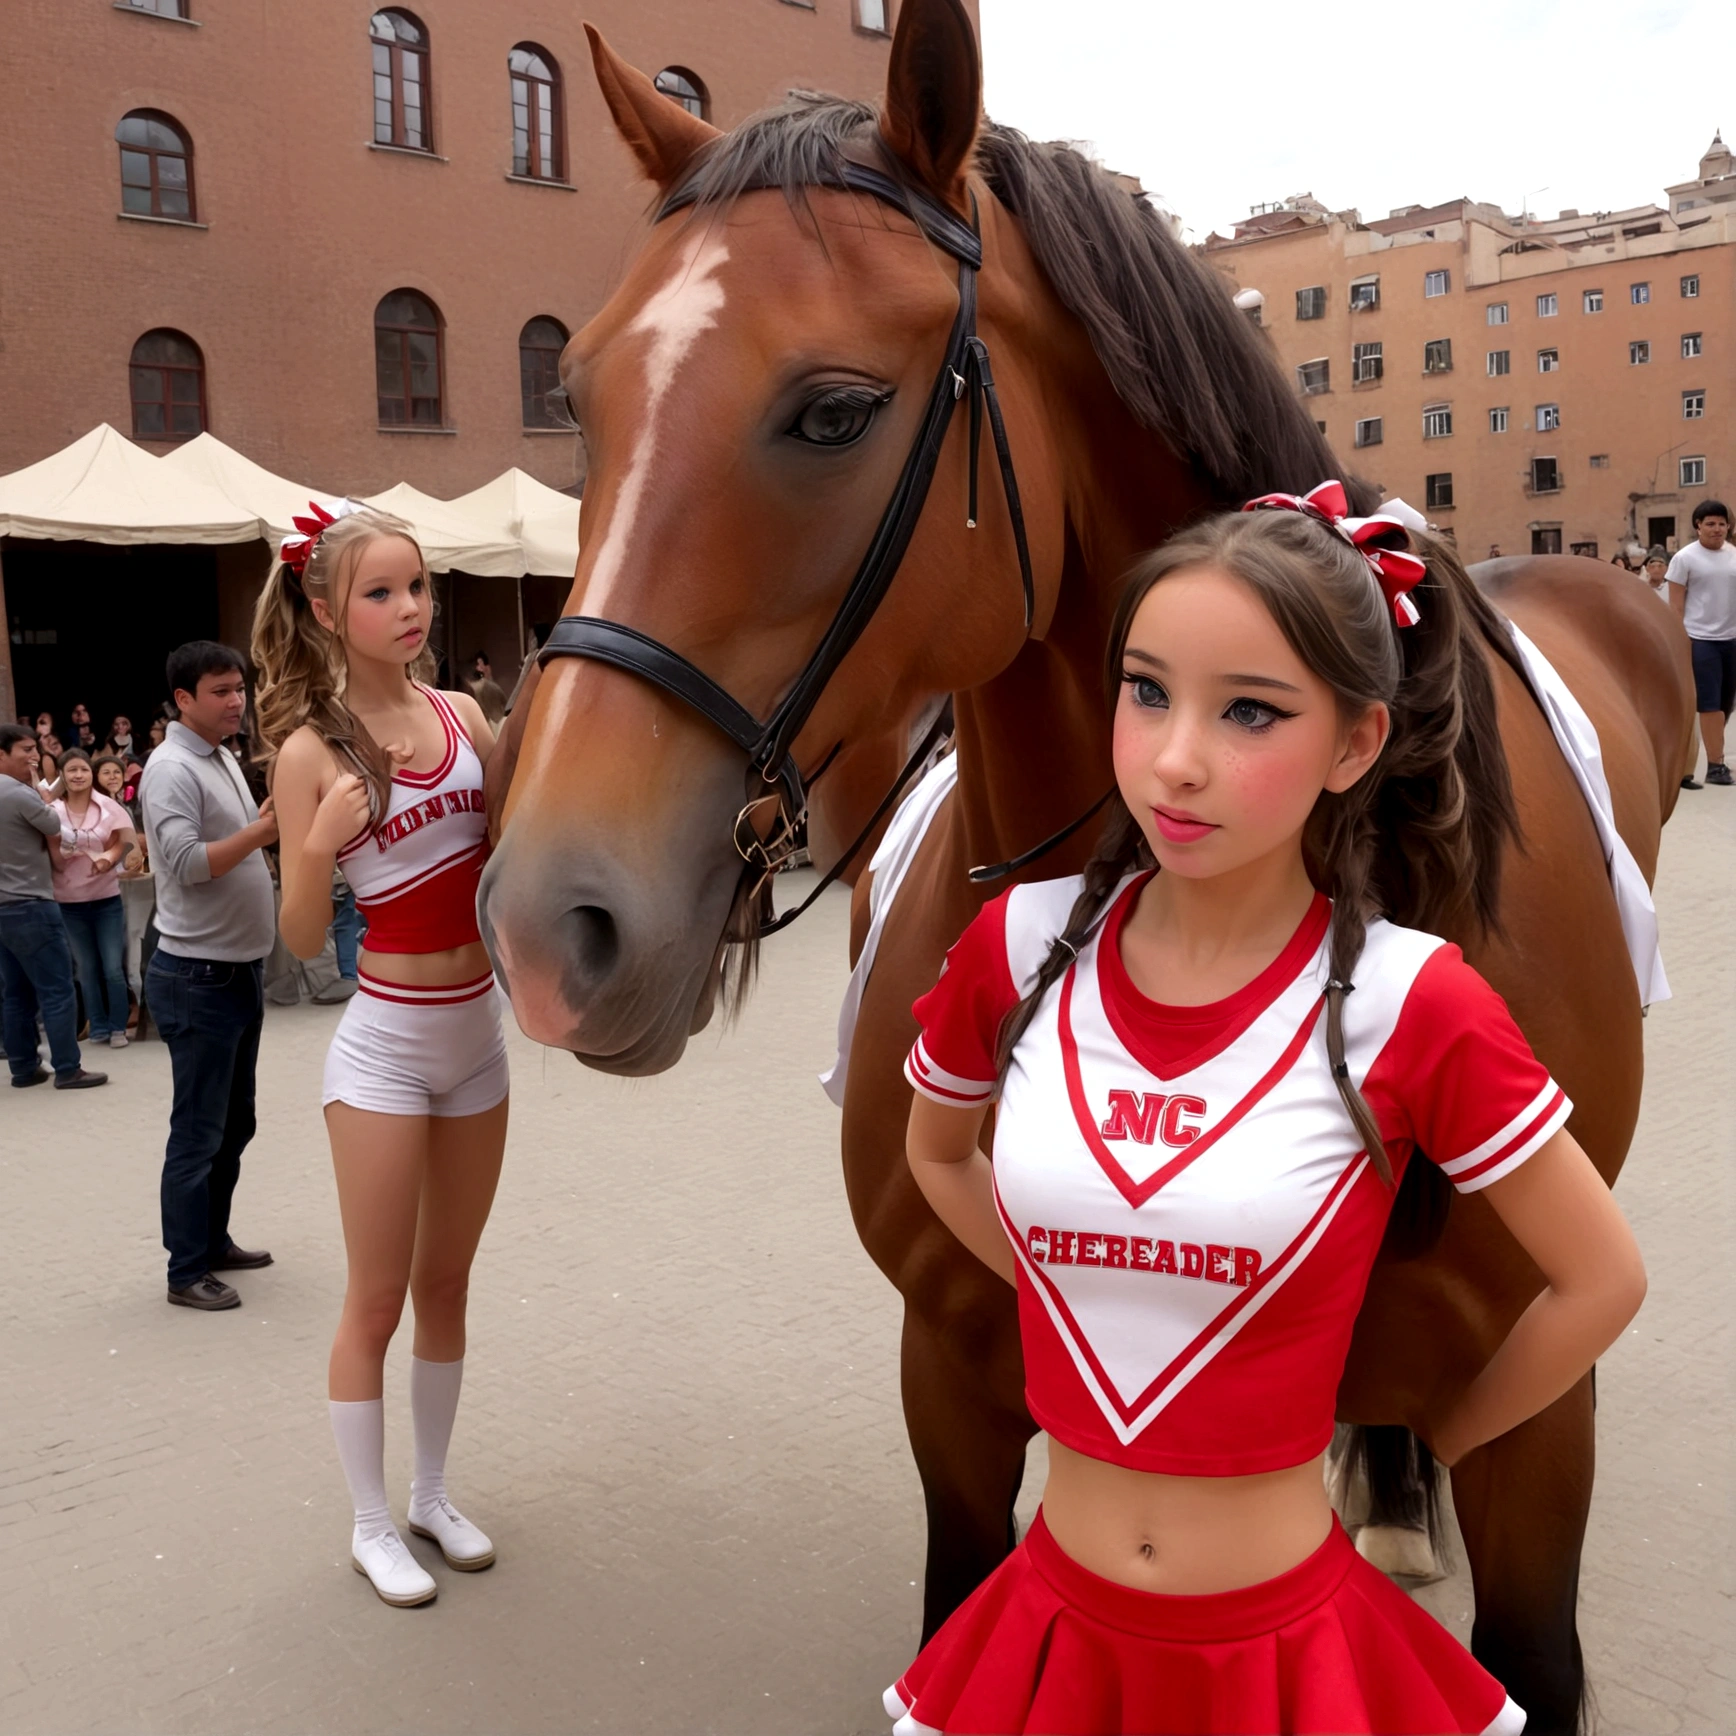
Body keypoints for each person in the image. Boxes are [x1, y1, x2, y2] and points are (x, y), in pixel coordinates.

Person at [887, 486, 1646, 1736]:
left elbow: (1600, 1277)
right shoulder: (1010, 949)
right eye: (1144, 690)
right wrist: (1089, 1290)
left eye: (1248, 710)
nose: (1175, 758)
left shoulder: (1411, 1002)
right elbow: (934, 1152)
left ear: (1354, 744)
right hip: (1047, 1635)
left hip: (1286, 1658)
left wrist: (1450, 1425)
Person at [254, 501, 507, 1610]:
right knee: (377, 1295)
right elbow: (303, 938)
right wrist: (312, 842)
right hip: (385, 1048)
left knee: (448, 1284)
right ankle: (368, 1522)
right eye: (381, 592)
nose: (409, 609)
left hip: (480, 1035)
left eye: (419, 588)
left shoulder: (465, 715)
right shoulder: (309, 751)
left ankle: (433, 1492)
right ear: (323, 609)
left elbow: (520, 850)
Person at [139, 642, 279, 1313]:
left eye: (239, 688)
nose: (237, 701)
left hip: (235, 970)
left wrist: (262, 825)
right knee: (198, 1130)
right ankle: (185, 1268)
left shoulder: (220, 752)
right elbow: (189, 863)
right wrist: (261, 834)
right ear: (183, 700)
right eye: (221, 691)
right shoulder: (168, 770)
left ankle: (212, 1239)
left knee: (234, 1122)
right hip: (198, 975)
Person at [0, 725, 106, 1090]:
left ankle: (24, 1068)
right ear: (1, 754)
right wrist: (42, 795)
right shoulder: (19, 793)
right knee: (57, 987)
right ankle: (66, 1067)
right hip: (30, 902)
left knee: (14, 993)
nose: (34, 755)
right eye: (26, 749)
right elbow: (54, 825)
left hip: (2, 910)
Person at [49, 749, 137, 1049]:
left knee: (113, 966)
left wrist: (110, 859)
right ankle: (97, 1025)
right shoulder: (51, 812)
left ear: (91, 774)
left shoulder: (109, 807)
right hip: (67, 901)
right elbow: (46, 850)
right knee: (85, 968)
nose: (78, 775)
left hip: (105, 898)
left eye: (83, 770)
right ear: (62, 775)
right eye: (71, 770)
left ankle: (118, 1028)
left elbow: (126, 843)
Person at [1666, 499, 1736, 788]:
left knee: (1725, 704)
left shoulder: (1734, 555)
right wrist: (1678, 641)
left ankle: (1715, 757)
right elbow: (1676, 607)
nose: (1716, 529)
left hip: (1731, 638)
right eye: (1710, 523)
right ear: (1698, 526)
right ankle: (1716, 765)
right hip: (1699, 639)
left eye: (1722, 523)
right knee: (1709, 705)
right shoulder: (1684, 558)